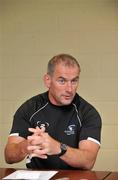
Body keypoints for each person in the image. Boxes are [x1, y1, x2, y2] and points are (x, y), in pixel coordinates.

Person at [4, 54, 102, 170]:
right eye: (62, 81)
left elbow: (88, 161)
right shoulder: (29, 108)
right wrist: (27, 146)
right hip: (38, 176)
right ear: (48, 80)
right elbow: (9, 156)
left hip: (75, 177)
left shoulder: (88, 113)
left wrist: (59, 148)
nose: (69, 89)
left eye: (74, 81)